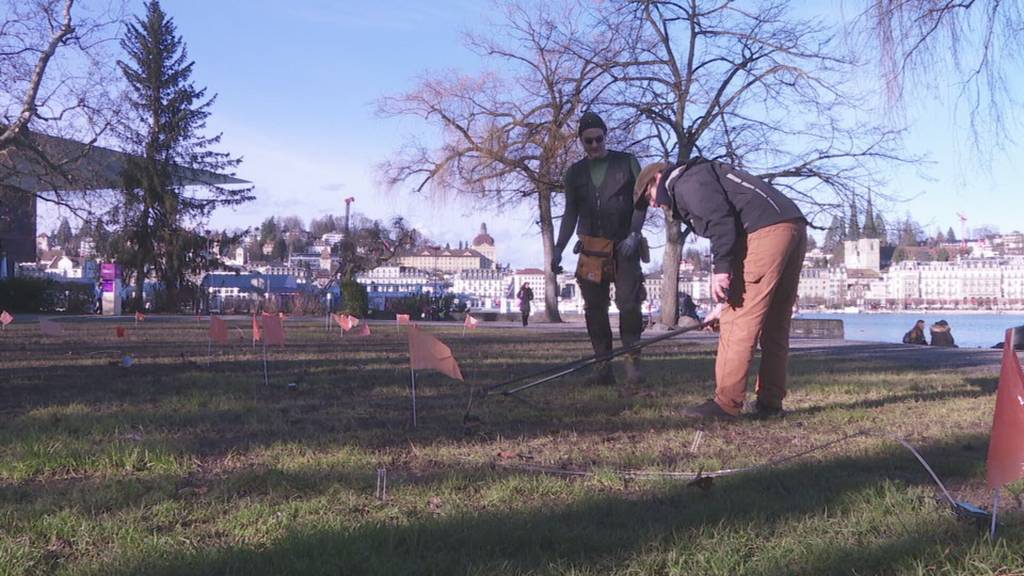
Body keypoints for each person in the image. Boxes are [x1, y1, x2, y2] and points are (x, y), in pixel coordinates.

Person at [635, 158, 807, 419]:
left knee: (738, 322)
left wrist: (721, 271)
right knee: (775, 323)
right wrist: (721, 305)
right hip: (792, 224)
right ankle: (770, 402)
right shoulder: (704, 176)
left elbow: (721, 222)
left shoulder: (685, 182)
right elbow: (738, 236)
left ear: (657, 179)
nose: (655, 205)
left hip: (766, 232)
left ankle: (726, 404)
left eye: (649, 197)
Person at [551, 111, 648, 386]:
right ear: (581, 142)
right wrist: (559, 248)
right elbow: (570, 213)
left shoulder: (627, 162)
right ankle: (602, 367)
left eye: (598, 139)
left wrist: (634, 234)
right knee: (594, 308)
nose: (594, 146)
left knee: (629, 305)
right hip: (591, 249)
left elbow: (641, 202)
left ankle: (632, 365)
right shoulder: (574, 173)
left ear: (605, 136)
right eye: (588, 141)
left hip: (624, 247)